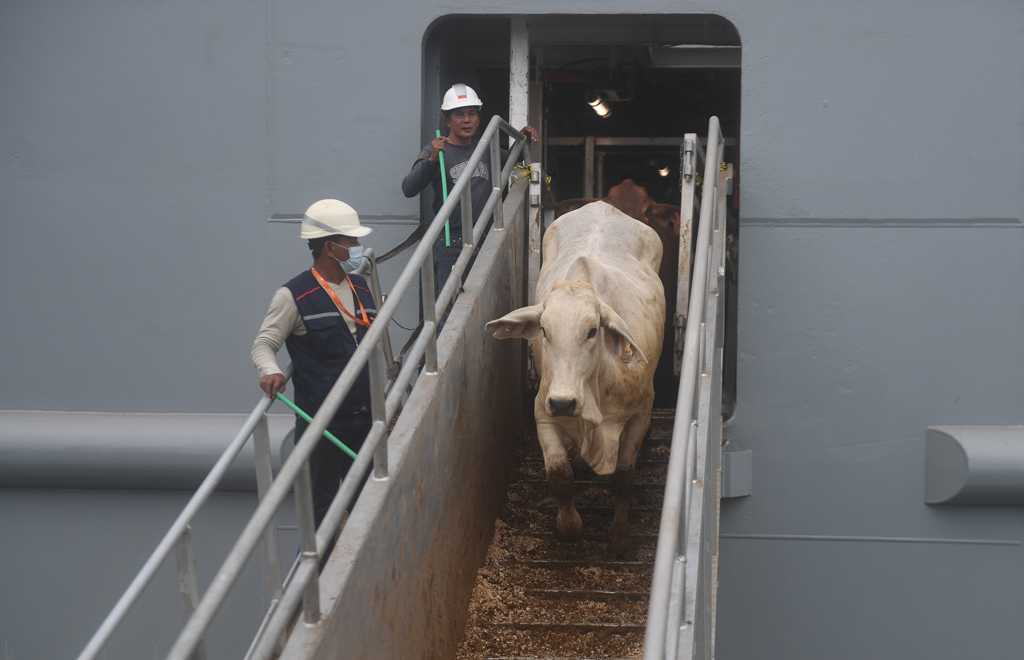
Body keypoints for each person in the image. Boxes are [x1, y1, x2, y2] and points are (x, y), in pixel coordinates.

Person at [251, 198, 376, 527]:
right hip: (323, 425)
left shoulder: (361, 286)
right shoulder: (293, 295)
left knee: (372, 506)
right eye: (351, 242)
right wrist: (271, 370)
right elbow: (264, 344)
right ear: (329, 247)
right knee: (321, 515)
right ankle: (318, 573)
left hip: (366, 417)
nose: (358, 248)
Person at [401, 83, 535, 289]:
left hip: (486, 238)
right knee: (449, 308)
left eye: (472, 113)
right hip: (451, 242)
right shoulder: (436, 149)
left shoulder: (487, 148)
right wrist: (432, 159)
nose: (467, 120)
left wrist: (522, 140)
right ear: (447, 119)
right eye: (459, 114)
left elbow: (515, 164)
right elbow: (408, 188)